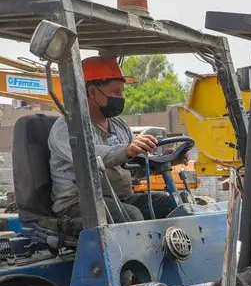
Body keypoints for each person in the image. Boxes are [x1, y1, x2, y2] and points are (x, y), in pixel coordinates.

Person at [48, 56, 175, 222]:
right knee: (130, 215)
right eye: (116, 91)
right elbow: (88, 156)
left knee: (171, 203)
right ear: (92, 92)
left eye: (122, 91)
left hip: (121, 198)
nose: (121, 97)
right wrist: (126, 150)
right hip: (78, 203)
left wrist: (169, 162)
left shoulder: (119, 125)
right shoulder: (68, 127)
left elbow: (129, 168)